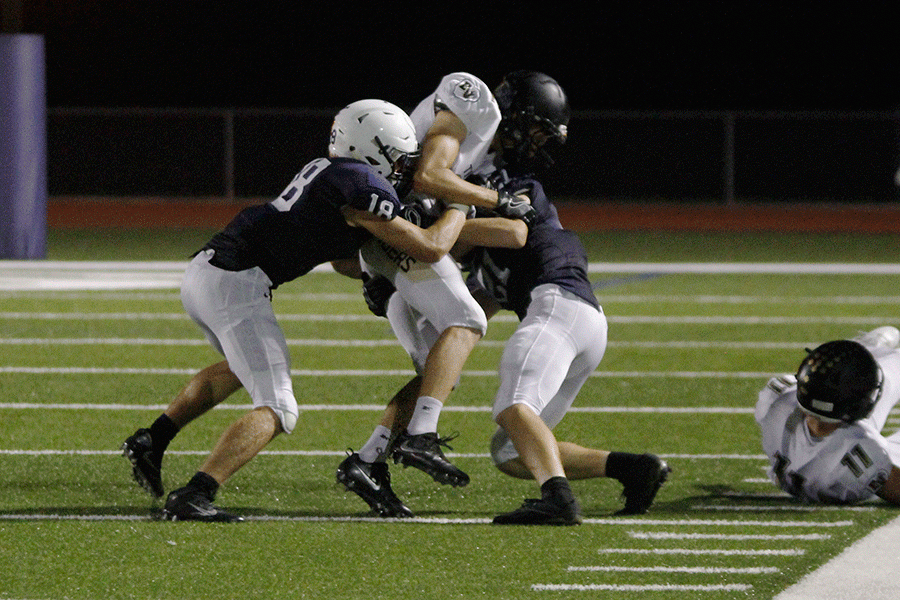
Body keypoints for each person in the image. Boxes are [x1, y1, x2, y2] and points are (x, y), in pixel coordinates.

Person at [120, 99, 474, 522]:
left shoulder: (332, 172)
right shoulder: (359, 181)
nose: (402, 171)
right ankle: (197, 492)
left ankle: (152, 439)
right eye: (398, 160)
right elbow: (431, 247)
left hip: (206, 272)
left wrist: (371, 277)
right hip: (238, 281)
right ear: (374, 150)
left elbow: (342, 257)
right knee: (278, 407)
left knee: (239, 367)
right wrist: (459, 205)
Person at [335, 71, 571, 517]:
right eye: (537, 129)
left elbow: (445, 220)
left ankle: (367, 462)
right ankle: (421, 435)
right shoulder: (475, 104)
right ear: (518, 114)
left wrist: (375, 273)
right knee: (466, 321)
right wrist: (494, 200)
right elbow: (428, 174)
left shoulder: (484, 165)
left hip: (387, 237)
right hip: (386, 230)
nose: (537, 143)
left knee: (440, 367)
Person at [464, 172, 671, 525]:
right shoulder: (485, 263)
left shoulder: (522, 208)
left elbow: (513, 227)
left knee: (514, 407)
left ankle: (558, 499)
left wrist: (441, 228)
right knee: (510, 450)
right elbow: (470, 315)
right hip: (584, 324)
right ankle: (633, 468)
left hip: (557, 306)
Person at [755, 326, 900, 505]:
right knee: (890, 371)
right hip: (846, 450)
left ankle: (867, 350)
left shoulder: (776, 397)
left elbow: (819, 387)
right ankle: (868, 350)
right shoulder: (861, 449)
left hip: (827, 427)